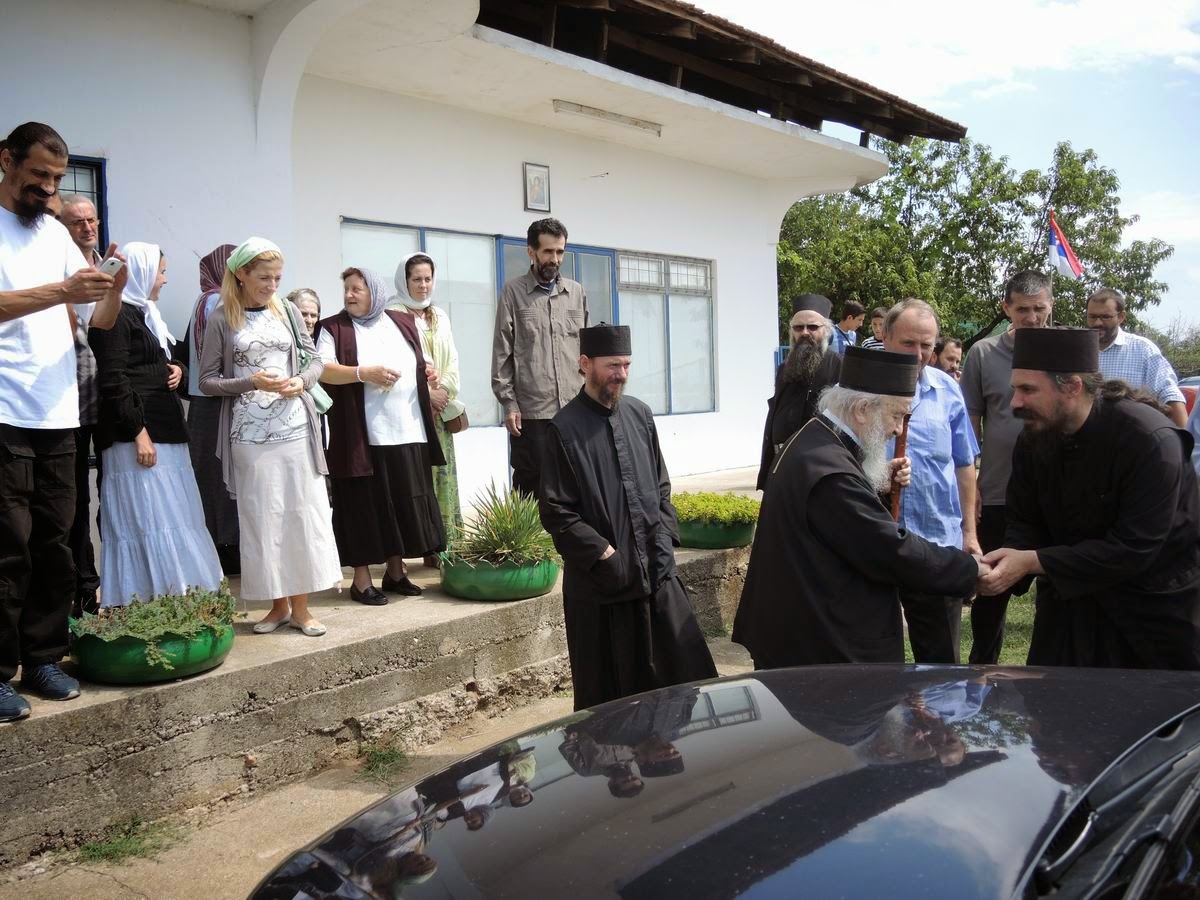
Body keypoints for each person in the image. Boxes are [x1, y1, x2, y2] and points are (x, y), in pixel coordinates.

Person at [732, 347, 983, 669]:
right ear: (863, 409)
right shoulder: (830, 473)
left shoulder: (815, 438)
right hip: (822, 650)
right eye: (897, 415)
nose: (898, 429)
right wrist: (969, 569)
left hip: (801, 632)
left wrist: (875, 483)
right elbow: (889, 550)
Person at [0, 122, 126, 721]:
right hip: (5, 410)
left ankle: (44, 658)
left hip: (59, 412)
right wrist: (62, 290)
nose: (48, 189)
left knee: (56, 543)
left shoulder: (53, 233)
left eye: (56, 178)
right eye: (39, 176)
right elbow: (49, 296)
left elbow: (94, 319)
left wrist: (114, 287)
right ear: (6, 160)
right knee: (8, 545)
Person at [980, 327, 1200, 669]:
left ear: (1072, 386)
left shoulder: (1149, 441)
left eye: (1028, 389)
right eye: (1015, 389)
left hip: (1151, 615)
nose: (1015, 403)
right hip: (1069, 607)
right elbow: (1024, 520)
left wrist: (1033, 561)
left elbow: (1133, 548)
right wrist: (1006, 565)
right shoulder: (1035, 437)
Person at [539, 324, 717, 710]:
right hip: (604, 587)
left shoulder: (640, 414)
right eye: (612, 366)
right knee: (613, 704)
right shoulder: (563, 429)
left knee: (681, 686)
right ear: (585, 364)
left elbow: (661, 484)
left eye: (626, 365)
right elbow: (556, 511)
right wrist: (605, 555)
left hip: (656, 573)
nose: (620, 374)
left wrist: (665, 536)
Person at [199, 237, 340, 637]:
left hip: (296, 431)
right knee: (263, 519)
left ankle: (302, 609)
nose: (272, 285)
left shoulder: (288, 311)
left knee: (301, 515)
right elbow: (207, 381)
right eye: (264, 277)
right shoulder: (222, 318)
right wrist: (251, 382)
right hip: (248, 437)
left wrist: (301, 380)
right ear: (241, 274)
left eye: (277, 277)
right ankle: (277, 607)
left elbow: (314, 360)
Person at [88, 242, 223, 607]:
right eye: (160, 272)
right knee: (149, 520)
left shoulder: (148, 316)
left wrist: (178, 369)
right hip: (138, 437)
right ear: (142, 272)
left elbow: (166, 360)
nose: (164, 279)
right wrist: (138, 433)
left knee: (172, 517)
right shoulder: (116, 316)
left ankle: (181, 601)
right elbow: (113, 379)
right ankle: (151, 603)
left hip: (165, 431)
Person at [317, 267, 445, 605]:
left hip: (407, 430)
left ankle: (396, 572)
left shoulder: (402, 322)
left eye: (357, 289)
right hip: (362, 437)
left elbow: (422, 361)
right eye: (346, 289)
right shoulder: (334, 328)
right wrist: (364, 373)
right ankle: (361, 581)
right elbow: (323, 369)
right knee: (363, 507)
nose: (349, 295)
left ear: (374, 291)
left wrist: (427, 372)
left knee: (400, 502)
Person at [960, 270, 1053, 664]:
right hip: (999, 490)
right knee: (991, 587)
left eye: (1039, 308)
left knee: (1055, 590)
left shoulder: (1066, 352)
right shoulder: (983, 354)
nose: (1032, 317)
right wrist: (973, 481)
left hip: (1055, 492)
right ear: (1006, 309)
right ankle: (982, 673)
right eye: (1023, 309)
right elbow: (969, 421)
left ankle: (1049, 673)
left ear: (1050, 305)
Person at [883, 300, 980, 663]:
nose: (918, 354)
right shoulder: (855, 389)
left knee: (941, 664)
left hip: (936, 543)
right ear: (885, 337)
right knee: (874, 663)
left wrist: (969, 532)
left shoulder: (948, 390)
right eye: (908, 343)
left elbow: (964, 464)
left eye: (926, 345)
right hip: (875, 547)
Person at [492, 218, 588, 499]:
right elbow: (502, 352)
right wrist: (509, 403)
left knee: (575, 485)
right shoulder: (513, 293)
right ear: (531, 252)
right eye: (548, 251)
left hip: (574, 409)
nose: (555, 259)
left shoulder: (576, 293)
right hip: (532, 413)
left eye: (560, 252)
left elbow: (587, 353)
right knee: (532, 488)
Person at [389, 253, 465, 564]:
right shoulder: (392, 315)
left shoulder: (440, 315)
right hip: (410, 413)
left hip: (439, 414)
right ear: (404, 281)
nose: (423, 285)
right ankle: (423, 544)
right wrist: (427, 394)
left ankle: (443, 545)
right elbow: (396, 362)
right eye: (416, 279)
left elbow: (453, 360)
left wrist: (443, 391)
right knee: (417, 479)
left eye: (428, 278)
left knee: (442, 476)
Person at [182, 244, 240, 575]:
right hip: (217, 401)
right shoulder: (217, 300)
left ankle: (220, 546)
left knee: (210, 474)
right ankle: (226, 548)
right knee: (221, 476)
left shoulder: (205, 299)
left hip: (206, 402)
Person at [59, 194, 105, 615]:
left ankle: (109, 585)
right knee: (73, 502)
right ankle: (82, 590)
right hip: (67, 402)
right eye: (77, 222)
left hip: (107, 400)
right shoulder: (58, 270)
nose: (87, 227)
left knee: (111, 495)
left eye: (92, 220)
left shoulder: (107, 269)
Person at [756, 294, 842, 491]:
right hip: (781, 466)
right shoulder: (784, 369)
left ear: (826, 330)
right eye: (798, 327)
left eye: (812, 327)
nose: (805, 332)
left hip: (819, 469)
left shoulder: (839, 367)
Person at [1087, 287, 1187, 427]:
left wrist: (1182, 437)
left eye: (1105, 317)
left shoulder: (1143, 350)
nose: (1097, 323)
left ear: (1121, 317)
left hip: (1132, 434)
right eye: (1092, 317)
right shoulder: (1077, 349)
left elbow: (1169, 395)